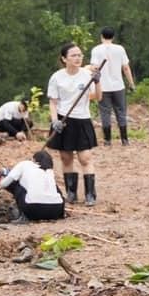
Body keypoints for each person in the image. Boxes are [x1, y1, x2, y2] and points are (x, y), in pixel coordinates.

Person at [45, 41, 101, 206]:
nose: (77, 58)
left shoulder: (86, 75)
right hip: (63, 120)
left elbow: (98, 97)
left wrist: (97, 82)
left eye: (79, 55)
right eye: (73, 55)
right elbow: (53, 102)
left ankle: (90, 194)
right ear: (64, 58)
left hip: (82, 119)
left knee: (85, 157)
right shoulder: (57, 77)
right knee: (66, 157)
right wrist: (55, 121)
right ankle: (71, 192)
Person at [89, 27, 135, 147]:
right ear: (113, 37)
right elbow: (125, 67)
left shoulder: (96, 50)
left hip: (102, 87)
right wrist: (131, 83)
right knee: (121, 112)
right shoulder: (120, 49)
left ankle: (107, 140)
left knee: (105, 112)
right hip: (118, 85)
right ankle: (124, 140)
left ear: (101, 36)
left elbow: (94, 67)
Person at [0, 149, 68, 222]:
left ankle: (22, 214)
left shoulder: (25, 164)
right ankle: (62, 214)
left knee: (15, 185)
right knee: (53, 188)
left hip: (33, 210)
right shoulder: (49, 171)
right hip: (56, 211)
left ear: (34, 159)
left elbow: (4, 184)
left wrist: (4, 176)